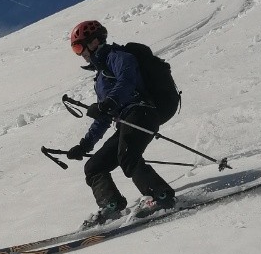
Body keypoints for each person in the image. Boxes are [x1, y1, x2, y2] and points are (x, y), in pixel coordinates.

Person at [64, 19, 177, 226]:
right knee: (94, 167)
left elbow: (127, 80)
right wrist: (84, 145)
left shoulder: (117, 57)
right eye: (75, 49)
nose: (80, 53)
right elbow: (104, 117)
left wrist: (108, 103)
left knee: (128, 157)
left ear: (95, 41)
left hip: (142, 113)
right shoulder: (100, 78)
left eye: (79, 46)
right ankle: (111, 205)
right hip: (126, 121)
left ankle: (161, 196)